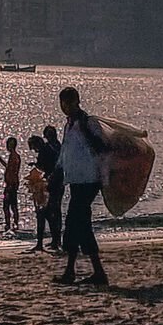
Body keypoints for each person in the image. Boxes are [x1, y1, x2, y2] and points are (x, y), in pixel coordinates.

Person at [56, 87, 108, 286]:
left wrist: (87, 133)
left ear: (76, 102)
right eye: (62, 104)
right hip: (76, 181)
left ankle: (72, 272)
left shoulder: (88, 122)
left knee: (74, 222)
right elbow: (65, 152)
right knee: (81, 224)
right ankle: (95, 272)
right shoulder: (69, 125)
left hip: (89, 181)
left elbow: (102, 147)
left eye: (68, 103)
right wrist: (56, 172)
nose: (65, 107)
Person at [34, 125, 64, 252]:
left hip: (49, 183)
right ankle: (56, 240)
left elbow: (43, 166)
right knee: (56, 212)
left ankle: (47, 241)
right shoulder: (60, 147)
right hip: (60, 183)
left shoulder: (47, 148)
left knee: (45, 212)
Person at [0, 138, 21, 233]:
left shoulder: (14, 156)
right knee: (11, 205)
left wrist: (11, 184)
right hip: (11, 184)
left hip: (11, 185)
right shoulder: (14, 156)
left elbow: (11, 170)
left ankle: (10, 223)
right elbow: (8, 167)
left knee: (8, 205)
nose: (7, 146)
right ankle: (13, 223)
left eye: (9, 144)